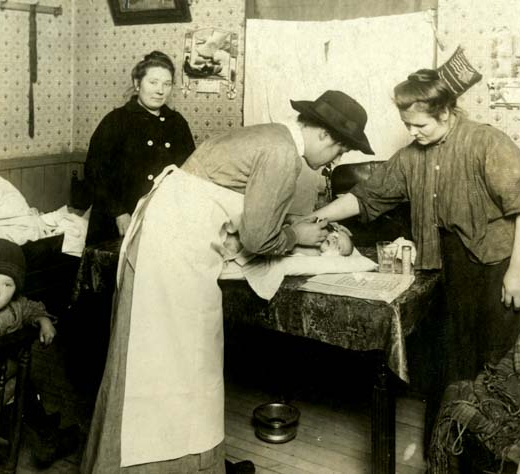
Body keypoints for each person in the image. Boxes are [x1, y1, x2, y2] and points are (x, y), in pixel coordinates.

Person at [81, 89, 374, 473]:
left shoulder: (270, 135)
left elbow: (244, 210)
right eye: (339, 152)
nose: (334, 162)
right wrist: (296, 236)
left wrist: (286, 228)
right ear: (323, 135)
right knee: (170, 365)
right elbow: (257, 239)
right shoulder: (283, 153)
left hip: (165, 240)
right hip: (172, 253)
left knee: (161, 361)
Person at [307, 69, 520, 460]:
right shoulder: (411, 158)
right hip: (453, 269)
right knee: (455, 366)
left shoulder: (486, 142)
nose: (413, 132)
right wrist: (319, 218)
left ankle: (503, 462)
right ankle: (452, 458)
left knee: (503, 370)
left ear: (446, 112)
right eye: (407, 125)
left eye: (419, 124)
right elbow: (365, 197)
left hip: (503, 265)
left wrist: (518, 271)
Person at [0, 238, 79, 468]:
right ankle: (41, 435)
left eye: (7, 285)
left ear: (16, 289)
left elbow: (32, 307)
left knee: (29, 392)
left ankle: (44, 435)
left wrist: (43, 321)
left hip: (10, 389)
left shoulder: (17, 305)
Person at [85, 50, 195, 244]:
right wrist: (119, 213)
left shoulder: (177, 123)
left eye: (167, 84)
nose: (160, 90)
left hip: (163, 219)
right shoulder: (115, 121)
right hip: (116, 221)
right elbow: (95, 174)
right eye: (153, 82)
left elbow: (189, 174)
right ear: (137, 84)